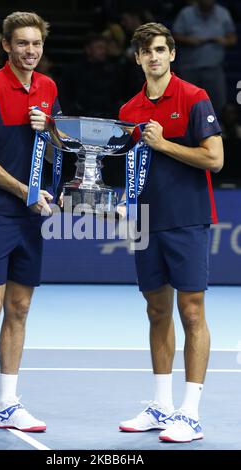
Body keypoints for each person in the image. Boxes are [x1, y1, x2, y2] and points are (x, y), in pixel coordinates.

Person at [118, 22, 223, 443]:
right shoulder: (128, 110)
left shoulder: (195, 98)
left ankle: (190, 412)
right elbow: (127, 167)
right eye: (147, 51)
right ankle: (161, 405)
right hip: (145, 221)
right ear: (139, 59)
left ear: (172, 54)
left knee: (192, 312)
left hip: (187, 219)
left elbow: (214, 159)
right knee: (156, 311)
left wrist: (164, 145)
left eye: (161, 49)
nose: (155, 56)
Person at [0, 11, 61, 438]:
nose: (30, 51)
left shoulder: (48, 88)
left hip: (30, 215)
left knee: (20, 308)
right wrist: (23, 189)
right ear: (6, 45)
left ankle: (8, 401)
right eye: (22, 43)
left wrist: (51, 130)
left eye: (36, 44)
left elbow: (60, 149)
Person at [172, 0, 237, 116]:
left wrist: (225, 41)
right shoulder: (186, 13)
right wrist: (188, 40)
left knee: (217, 106)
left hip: (214, 68)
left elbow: (233, 38)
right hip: (189, 69)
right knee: (188, 106)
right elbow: (174, 36)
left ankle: (218, 131)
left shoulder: (223, 13)